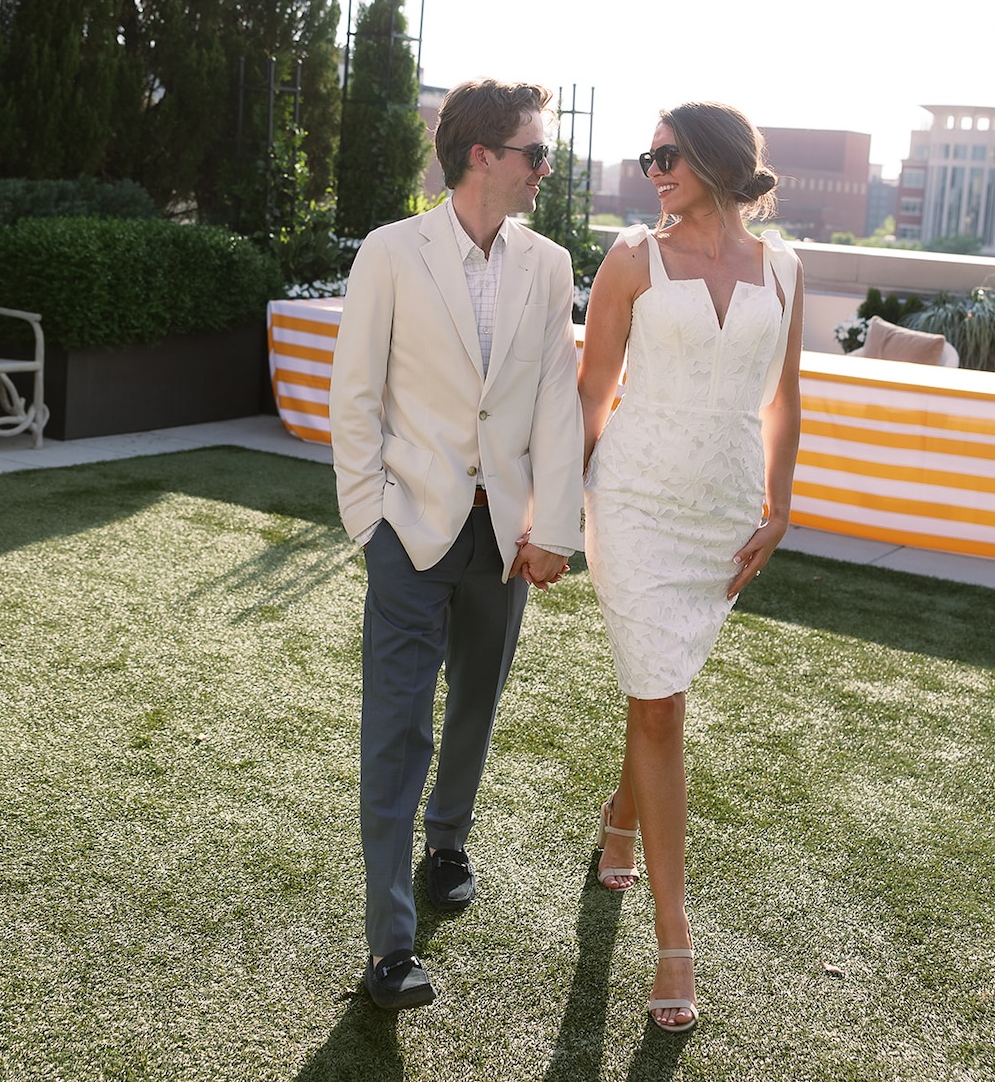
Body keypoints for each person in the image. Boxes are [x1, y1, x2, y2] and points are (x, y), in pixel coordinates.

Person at [330, 78, 585, 1011]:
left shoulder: (550, 265)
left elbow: (557, 398)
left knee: (477, 698)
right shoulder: (390, 254)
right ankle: (390, 947)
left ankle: (450, 840)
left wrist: (555, 527)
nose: (544, 170)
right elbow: (354, 398)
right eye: (535, 153)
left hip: (503, 533)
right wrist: (371, 522)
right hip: (410, 526)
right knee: (398, 729)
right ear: (482, 155)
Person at [578, 102, 803, 1034]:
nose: (652, 170)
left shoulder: (786, 267)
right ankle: (675, 942)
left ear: (714, 161)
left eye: (667, 155)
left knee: (660, 689)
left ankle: (622, 815)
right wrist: (563, 508)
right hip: (631, 501)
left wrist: (781, 507)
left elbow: (787, 395)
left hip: (721, 510)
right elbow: (592, 390)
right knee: (661, 700)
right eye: (648, 156)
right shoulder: (632, 258)